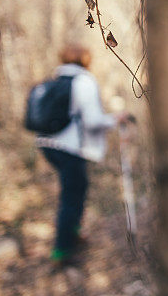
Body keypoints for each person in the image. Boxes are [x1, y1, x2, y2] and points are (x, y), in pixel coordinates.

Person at [34, 44, 122, 266]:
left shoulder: (53, 80)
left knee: (77, 188)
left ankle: (74, 234)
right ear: (85, 60)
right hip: (69, 147)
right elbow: (92, 121)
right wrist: (115, 120)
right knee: (71, 196)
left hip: (47, 144)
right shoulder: (84, 81)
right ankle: (62, 252)